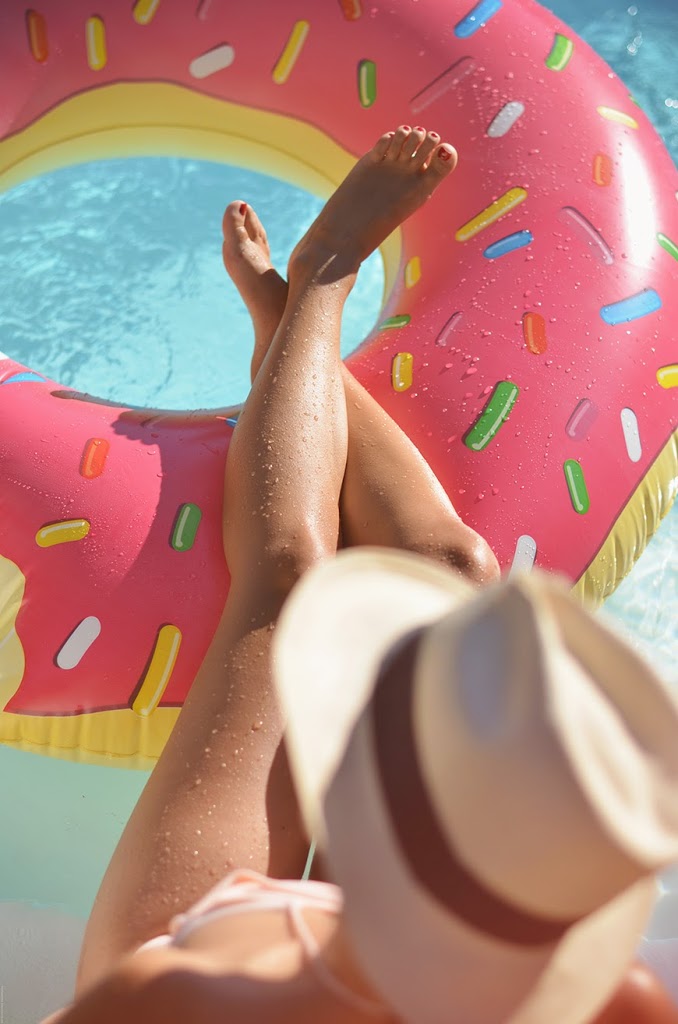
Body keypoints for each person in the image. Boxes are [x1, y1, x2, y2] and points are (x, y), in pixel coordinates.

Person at [43, 126, 678, 1024]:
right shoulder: (628, 1001)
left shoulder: (172, 990)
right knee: (450, 567)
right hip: (426, 970)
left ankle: (319, 282)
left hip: (221, 972)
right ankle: (286, 318)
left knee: (292, 582)